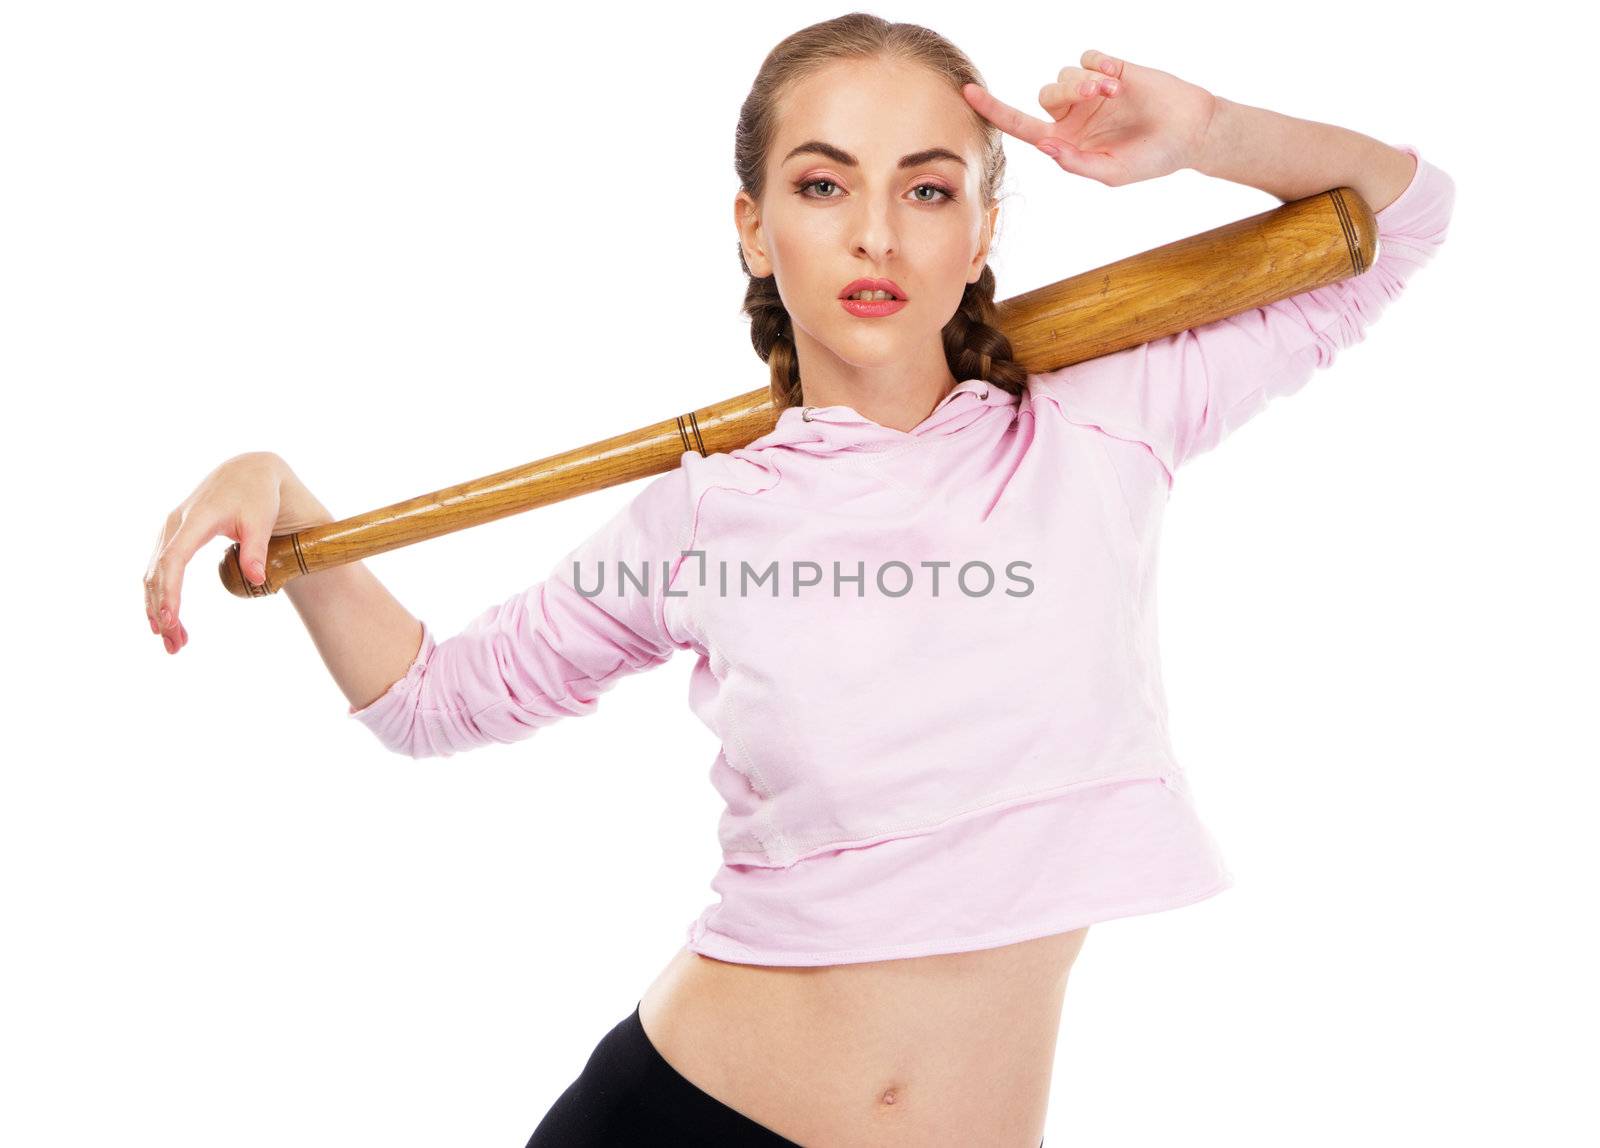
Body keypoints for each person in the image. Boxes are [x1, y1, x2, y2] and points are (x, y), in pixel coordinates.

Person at [142, 14, 1455, 1147]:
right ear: (755, 230)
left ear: (986, 225)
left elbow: (1397, 224)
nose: (876, 232)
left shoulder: (1101, 420)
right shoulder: (705, 515)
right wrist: (296, 515)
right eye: (825, 186)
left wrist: (1207, 130)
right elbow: (433, 703)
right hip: (683, 1119)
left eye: (929, 189)